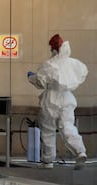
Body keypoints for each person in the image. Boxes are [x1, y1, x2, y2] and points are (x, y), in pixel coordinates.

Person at [27, 34, 88, 170]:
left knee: (48, 129)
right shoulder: (73, 63)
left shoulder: (49, 64)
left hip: (51, 99)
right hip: (67, 98)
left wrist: (31, 77)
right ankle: (80, 151)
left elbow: (40, 82)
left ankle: (48, 161)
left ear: (54, 49)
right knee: (68, 126)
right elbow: (82, 73)